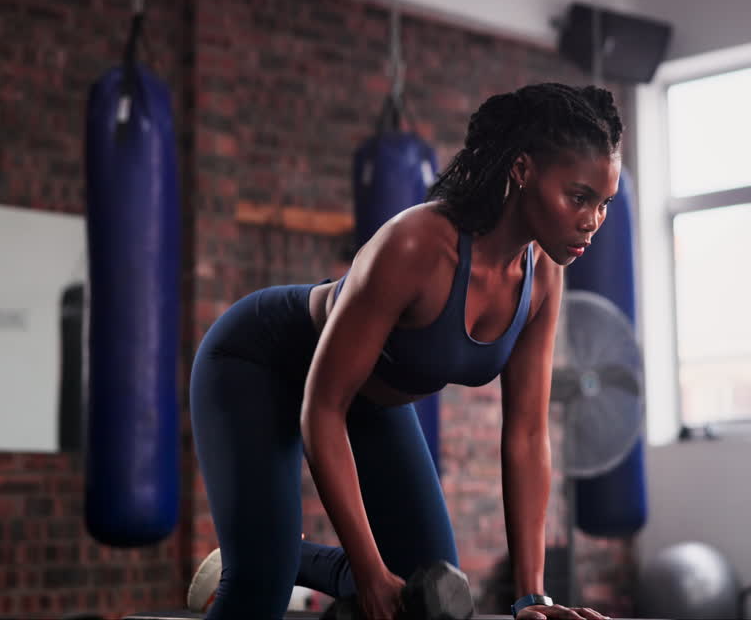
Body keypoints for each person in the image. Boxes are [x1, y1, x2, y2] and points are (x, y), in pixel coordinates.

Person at [188, 82, 622, 620]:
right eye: (579, 197)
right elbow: (323, 409)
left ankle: (280, 550)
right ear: (522, 170)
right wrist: (368, 573)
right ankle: (267, 557)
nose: (592, 220)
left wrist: (531, 597)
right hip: (257, 362)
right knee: (258, 591)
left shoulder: (543, 280)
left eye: (604, 203)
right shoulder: (419, 245)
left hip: (370, 397)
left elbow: (528, 433)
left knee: (431, 592)